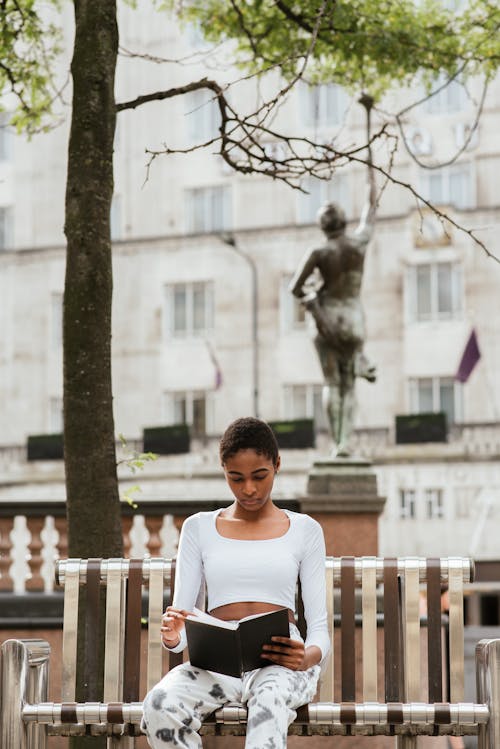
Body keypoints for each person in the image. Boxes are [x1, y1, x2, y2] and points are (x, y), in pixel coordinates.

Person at [141, 416, 330, 749]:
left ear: (277, 465)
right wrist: (174, 636)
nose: (249, 489)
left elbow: (319, 627)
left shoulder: (305, 530)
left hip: (280, 663)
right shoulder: (198, 528)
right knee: (159, 704)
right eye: (236, 478)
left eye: (260, 476)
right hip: (217, 663)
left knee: (269, 704)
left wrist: (308, 657)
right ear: (223, 470)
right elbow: (184, 619)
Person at [288, 151, 377, 457]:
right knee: (349, 385)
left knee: (331, 382)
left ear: (323, 226)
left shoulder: (319, 252)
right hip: (353, 318)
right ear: (343, 221)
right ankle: (345, 442)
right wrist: (371, 175)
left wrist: (311, 297)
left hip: (326, 321)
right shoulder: (359, 243)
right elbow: (371, 209)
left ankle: (335, 443)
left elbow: (295, 288)